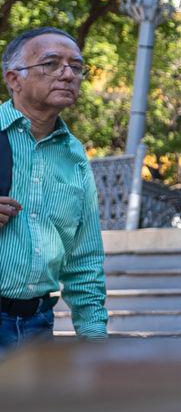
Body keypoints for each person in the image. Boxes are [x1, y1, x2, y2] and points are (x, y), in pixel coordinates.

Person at [0, 27, 106, 349]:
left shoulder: (74, 157)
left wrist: (94, 339)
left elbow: (84, 259)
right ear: (14, 79)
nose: (67, 74)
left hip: (38, 328)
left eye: (76, 67)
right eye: (51, 64)